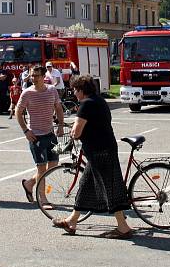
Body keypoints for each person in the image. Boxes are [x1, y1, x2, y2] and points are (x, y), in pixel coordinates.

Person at [50, 75, 133, 239]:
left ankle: (123, 227)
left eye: (75, 89)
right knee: (86, 185)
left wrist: (73, 128)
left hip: (99, 152)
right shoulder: (99, 100)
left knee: (109, 188)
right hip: (104, 149)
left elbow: (76, 132)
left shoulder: (86, 105)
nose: (74, 93)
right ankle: (72, 221)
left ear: (81, 90)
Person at [15, 65, 65, 207]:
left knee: (54, 164)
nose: (33, 78)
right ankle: (43, 199)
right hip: (35, 136)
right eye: (32, 75)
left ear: (44, 77)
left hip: (50, 134)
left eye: (36, 75)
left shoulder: (52, 90)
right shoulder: (27, 93)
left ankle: (29, 183)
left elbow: (58, 108)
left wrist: (60, 125)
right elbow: (18, 112)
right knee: (41, 169)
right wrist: (26, 130)